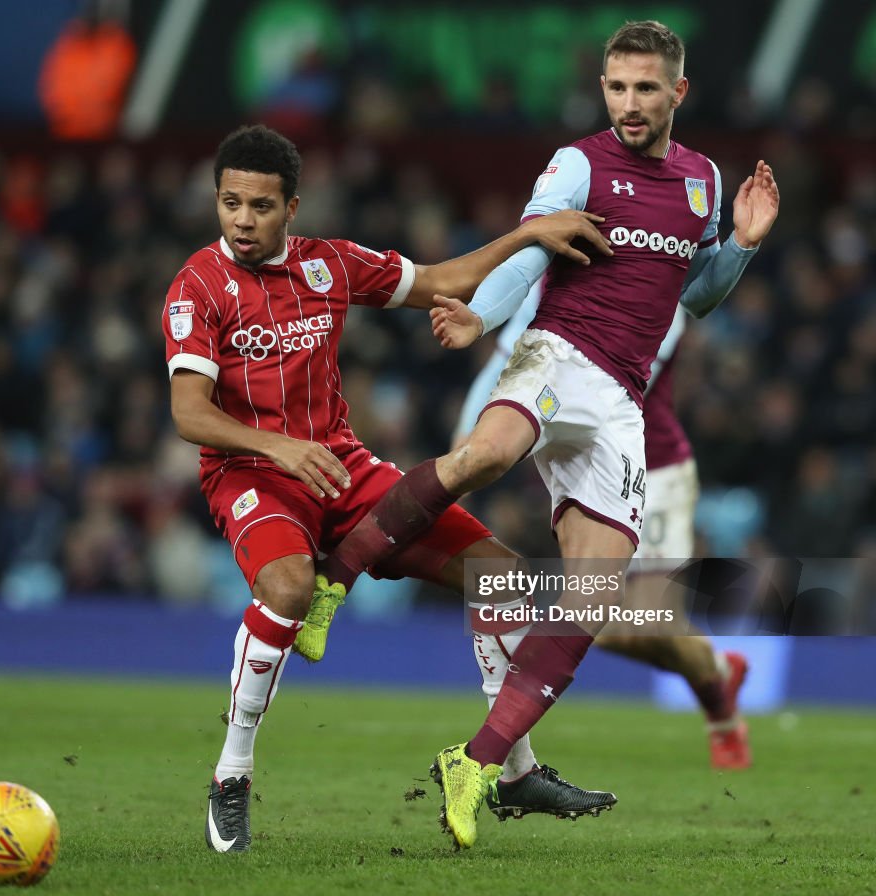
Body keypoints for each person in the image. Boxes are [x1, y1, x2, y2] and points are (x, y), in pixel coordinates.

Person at [311, 20, 779, 848]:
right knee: (482, 456)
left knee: (593, 600)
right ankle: (335, 578)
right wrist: (481, 315)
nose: (628, 104)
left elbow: (694, 296)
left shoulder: (704, 181)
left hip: (622, 405)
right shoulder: (578, 164)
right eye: (615, 87)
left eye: (644, 88)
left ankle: (481, 763)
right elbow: (530, 255)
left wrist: (740, 244)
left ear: (678, 92)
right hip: (556, 355)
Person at [162, 124, 614, 853]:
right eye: (231, 204)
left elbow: (443, 280)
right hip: (252, 475)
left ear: (292, 208)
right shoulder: (197, 286)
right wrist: (281, 446)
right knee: (287, 589)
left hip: (343, 470)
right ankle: (232, 776)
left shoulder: (330, 266)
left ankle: (515, 771)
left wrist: (535, 233)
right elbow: (189, 413)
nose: (243, 221)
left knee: (500, 577)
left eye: (260, 207)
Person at [299, 294, 752, 776]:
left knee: (634, 621)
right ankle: (715, 674)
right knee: (608, 627)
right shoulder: (562, 283)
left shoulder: (658, 294)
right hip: (582, 460)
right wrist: (467, 448)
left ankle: (718, 680)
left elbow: (614, 383)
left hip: (651, 470)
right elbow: (507, 358)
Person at [38, 7, 136, 140]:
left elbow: (107, 93)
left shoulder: (115, 45)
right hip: (63, 134)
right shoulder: (69, 45)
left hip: (102, 137)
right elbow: (52, 92)